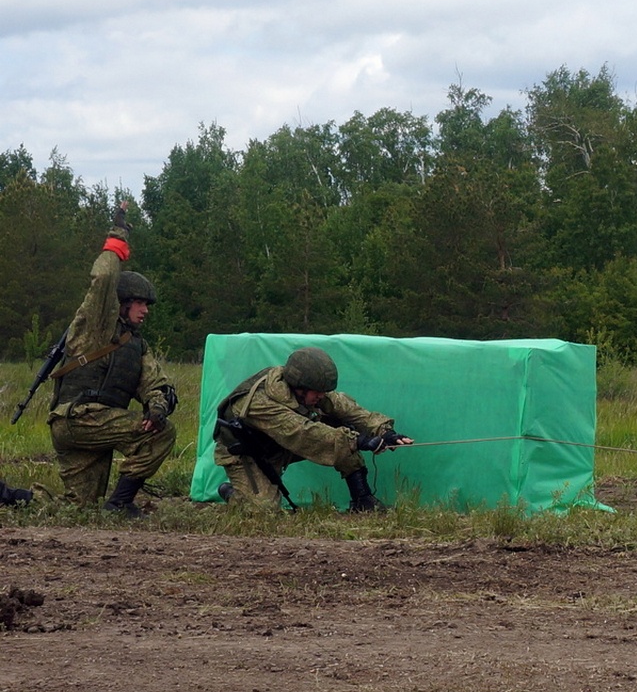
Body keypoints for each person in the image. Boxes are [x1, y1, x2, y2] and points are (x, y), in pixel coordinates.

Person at [47, 203, 179, 516]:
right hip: (78, 418)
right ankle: (120, 504)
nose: (145, 310)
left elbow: (156, 384)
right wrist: (118, 233)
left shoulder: (136, 345)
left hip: (92, 425)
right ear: (120, 304)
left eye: (147, 305)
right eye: (138, 303)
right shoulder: (94, 326)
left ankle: (9, 496)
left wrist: (158, 407)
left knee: (78, 508)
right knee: (165, 435)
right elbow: (104, 276)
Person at [212, 346, 413, 512]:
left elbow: (346, 408)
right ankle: (232, 493)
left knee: (343, 428)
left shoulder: (308, 388)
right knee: (263, 511)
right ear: (300, 386)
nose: (321, 397)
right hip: (247, 455)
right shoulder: (261, 403)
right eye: (318, 393)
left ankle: (363, 500)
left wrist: (384, 432)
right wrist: (358, 441)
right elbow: (303, 432)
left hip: (280, 444)